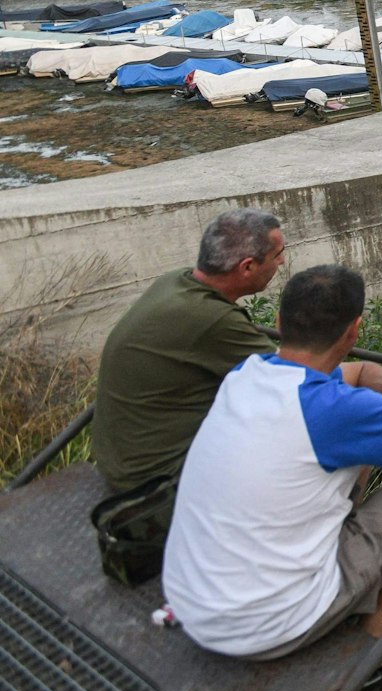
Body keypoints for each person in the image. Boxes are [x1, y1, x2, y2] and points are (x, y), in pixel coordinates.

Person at [161, 265, 382, 664]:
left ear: (278, 322)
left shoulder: (246, 375)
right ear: (354, 330)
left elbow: (358, 371)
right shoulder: (333, 410)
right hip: (268, 625)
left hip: (194, 604)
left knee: (359, 447)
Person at [94, 208, 285, 494]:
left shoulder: (175, 282)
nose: (281, 261)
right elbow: (295, 379)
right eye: (277, 254)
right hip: (155, 489)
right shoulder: (211, 318)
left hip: (120, 462)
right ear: (247, 267)